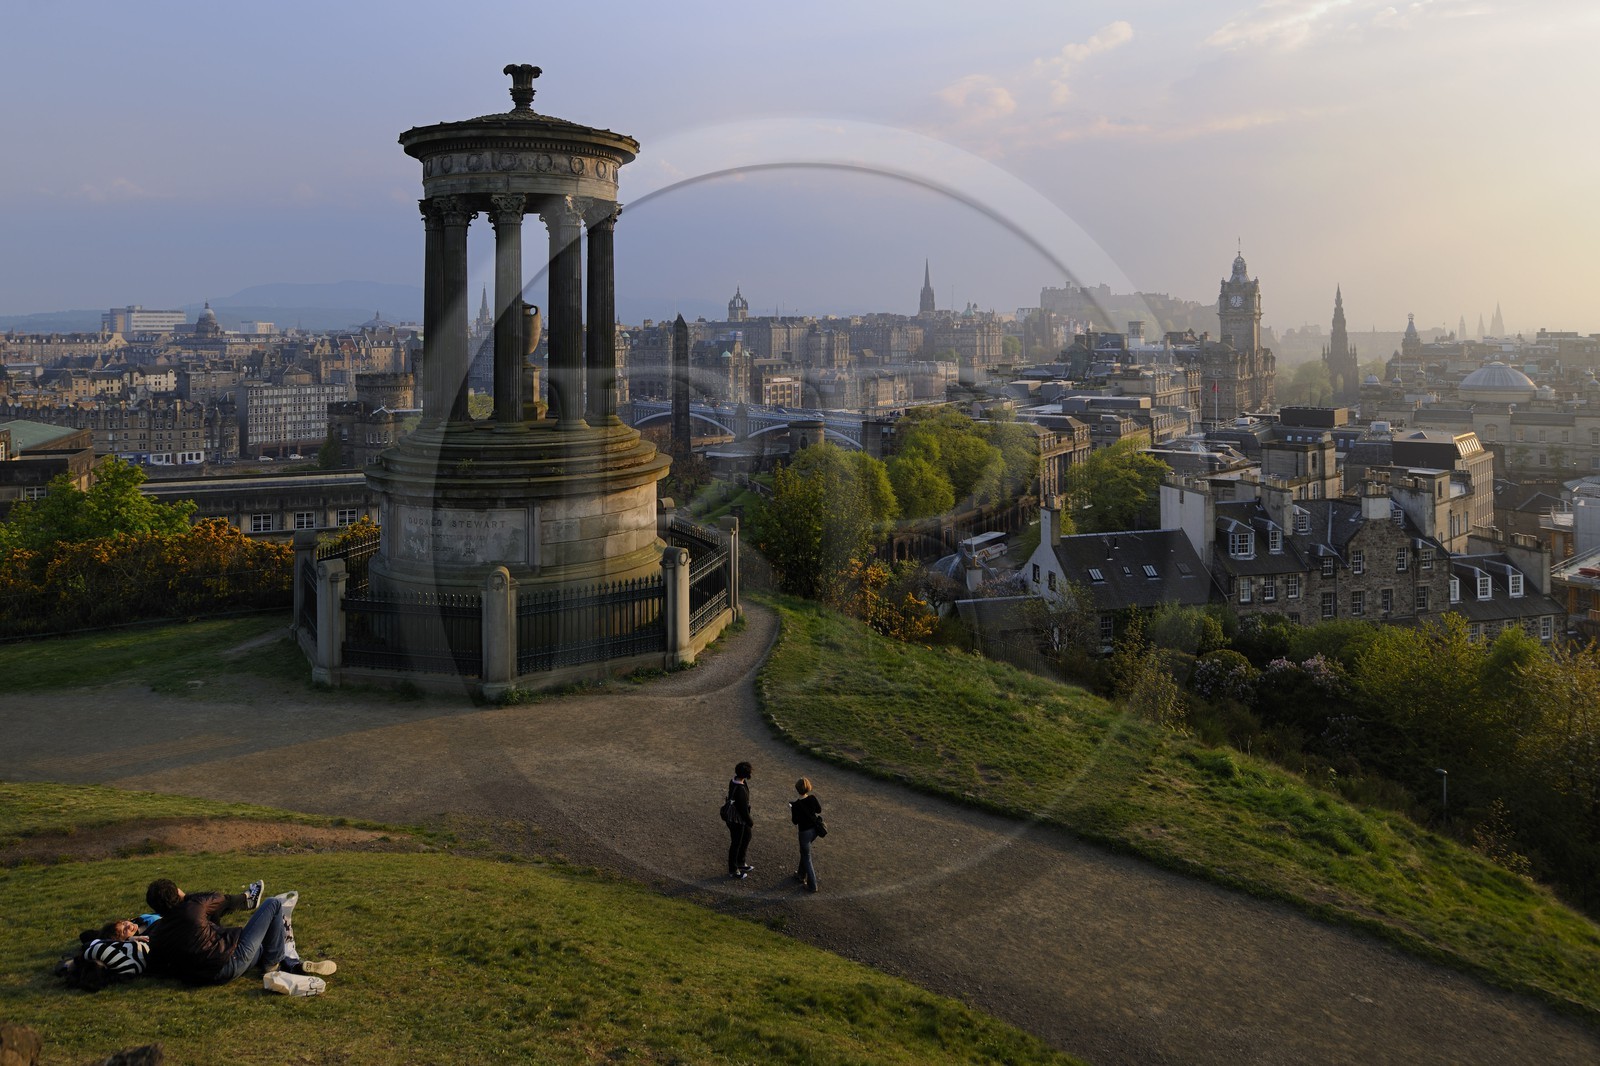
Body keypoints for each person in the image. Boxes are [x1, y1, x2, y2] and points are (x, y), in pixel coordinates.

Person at [144, 878, 335, 985]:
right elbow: (218, 898)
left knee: (261, 944)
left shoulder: (157, 933)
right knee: (273, 904)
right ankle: (274, 965)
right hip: (231, 960)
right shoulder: (193, 908)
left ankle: (288, 963)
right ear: (177, 893)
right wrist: (187, 898)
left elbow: (157, 965)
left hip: (207, 977)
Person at [789, 777, 823, 893]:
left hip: (804, 833)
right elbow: (819, 810)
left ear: (797, 789)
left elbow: (795, 821)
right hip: (814, 831)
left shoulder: (796, 805)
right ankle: (800, 875)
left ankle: (812, 885)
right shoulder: (812, 799)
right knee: (804, 853)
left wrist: (792, 809)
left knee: (807, 857)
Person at [726, 761, 754, 879]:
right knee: (736, 843)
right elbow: (743, 810)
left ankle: (740, 862)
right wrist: (750, 821)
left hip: (735, 818)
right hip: (737, 820)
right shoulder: (740, 790)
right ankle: (733, 869)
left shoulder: (734, 781)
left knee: (746, 836)